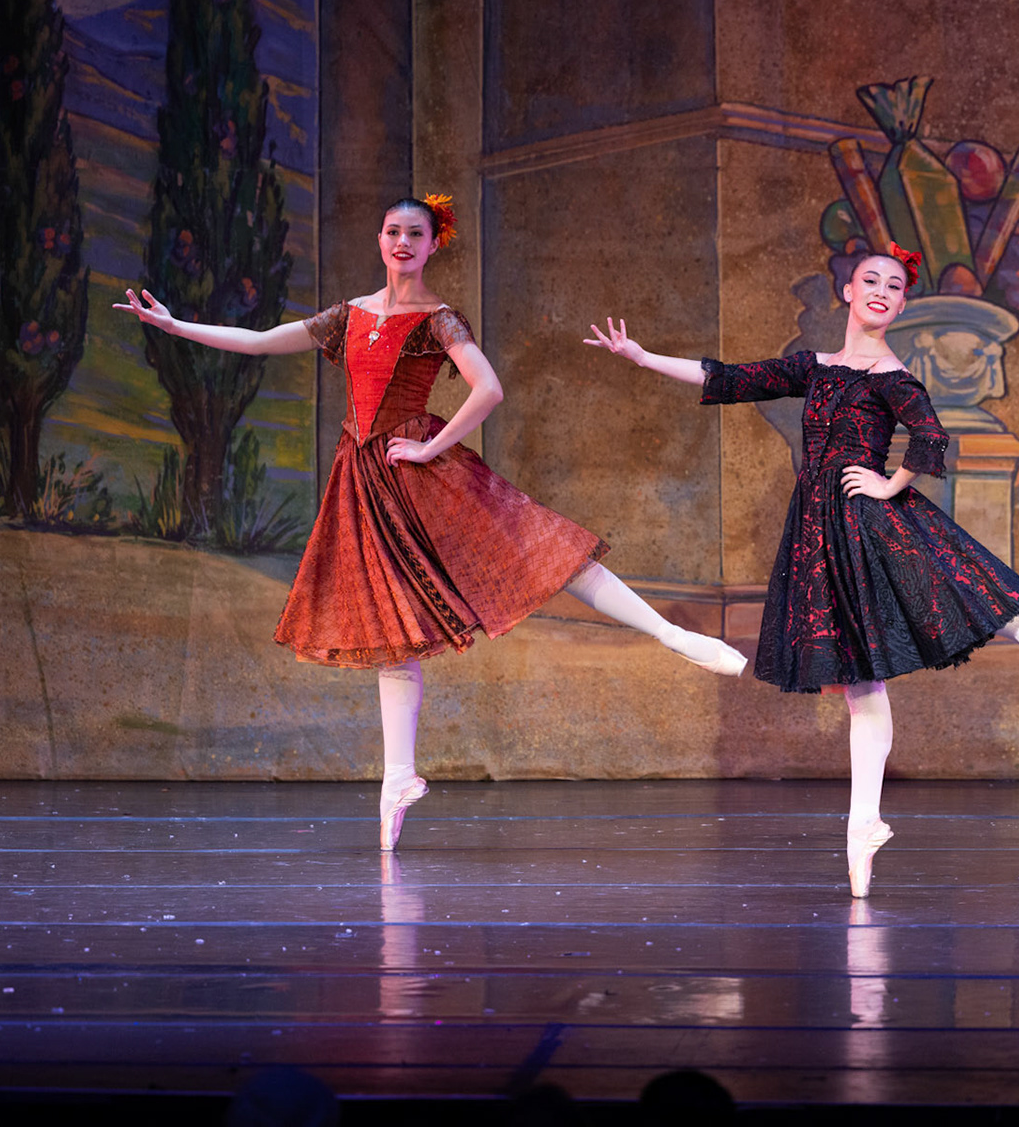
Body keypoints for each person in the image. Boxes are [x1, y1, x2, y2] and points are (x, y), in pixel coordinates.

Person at [114, 194, 745, 850]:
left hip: (420, 467)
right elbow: (262, 340)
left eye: (415, 233)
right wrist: (176, 327)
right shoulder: (349, 314)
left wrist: (430, 448)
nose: (402, 242)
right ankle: (397, 779)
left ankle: (670, 633)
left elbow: (488, 389)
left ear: (432, 244)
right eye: (393, 231)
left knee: (541, 550)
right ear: (380, 239)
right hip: (364, 481)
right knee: (392, 627)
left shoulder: (438, 319)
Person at [587, 243, 1019, 896]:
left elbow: (930, 437)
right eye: (870, 279)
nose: (880, 290)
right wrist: (642, 357)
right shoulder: (816, 368)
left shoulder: (893, 376)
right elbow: (729, 378)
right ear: (848, 291)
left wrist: (890, 484)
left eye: (893, 286)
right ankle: (862, 827)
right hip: (821, 535)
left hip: (877, 523)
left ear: (900, 305)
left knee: (993, 602)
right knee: (860, 683)